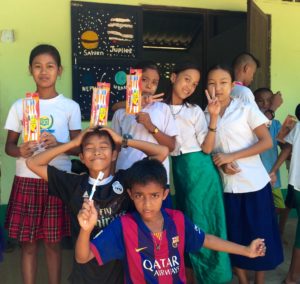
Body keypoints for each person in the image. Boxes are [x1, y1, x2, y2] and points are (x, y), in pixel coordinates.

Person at [75, 159, 266, 284]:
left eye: (154, 195)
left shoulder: (178, 220)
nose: (147, 203)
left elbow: (206, 239)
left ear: (165, 194)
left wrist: (245, 250)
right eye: (140, 196)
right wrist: (86, 229)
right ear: (130, 195)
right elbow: (83, 257)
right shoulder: (124, 225)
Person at [26, 127, 168, 284]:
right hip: (86, 273)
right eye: (89, 148)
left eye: (104, 147)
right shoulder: (73, 185)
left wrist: (122, 140)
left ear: (114, 154)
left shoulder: (126, 180)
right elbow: (33, 163)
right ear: (81, 157)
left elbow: (161, 152)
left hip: (123, 272)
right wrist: (73, 143)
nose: (97, 152)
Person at [4, 44, 81, 284]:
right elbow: (9, 147)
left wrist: (59, 143)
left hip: (56, 180)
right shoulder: (20, 106)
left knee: (53, 244)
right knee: (27, 245)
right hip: (26, 179)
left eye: (50, 66)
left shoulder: (70, 107)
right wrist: (21, 150)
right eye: (37, 66)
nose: (44, 71)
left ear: (60, 70)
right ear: (30, 70)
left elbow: (79, 148)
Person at [205, 64, 283, 284]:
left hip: (255, 185)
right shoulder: (205, 115)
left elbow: (267, 142)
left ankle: (259, 281)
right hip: (229, 188)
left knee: (261, 235)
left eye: (223, 82)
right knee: (236, 237)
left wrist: (232, 157)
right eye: (212, 83)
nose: (218, 88)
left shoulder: (246, 109)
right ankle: (243, 280)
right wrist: (221, 163)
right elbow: (207, 150)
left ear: (232, 86)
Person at [164, 62, 231, 283]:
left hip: (200, 171)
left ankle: (214, 276)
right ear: (173, 77)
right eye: (186, 79)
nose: (190, 86)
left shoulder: (194, 111)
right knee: (186, 222)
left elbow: (207, 148)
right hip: (179, 172)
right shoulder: (157, 107)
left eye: (194, 84)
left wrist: (213, 117)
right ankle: (191, 275)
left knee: (205, 221)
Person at [111, 61, 177, 207]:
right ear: (133, 80)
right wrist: (111, 177)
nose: (149, 85)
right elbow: (115, 148)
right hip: (126, 177)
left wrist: (150, 126)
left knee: (159, 225)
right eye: (145, 79)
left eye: (155, 82)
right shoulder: (121, 112)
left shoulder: (163, 109)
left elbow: (171, 146)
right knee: (128, 224)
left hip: (156, 178)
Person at [270, 118, 300, 284]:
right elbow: (287, 147)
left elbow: (287, 148)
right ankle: (292, 277)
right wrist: (273, 171)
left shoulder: (299, 127)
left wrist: (274, 170)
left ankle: (293, 276)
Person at [253, 88, 285, 218]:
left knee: (278, 208)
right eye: (260, 101)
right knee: (259, 210)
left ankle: (277, 235)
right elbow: (262, 123)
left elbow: (285, 146)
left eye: (269, 101)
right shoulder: (252, 123)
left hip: (273, 177)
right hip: (256, 178)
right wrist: (273, 107)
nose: (265, 104)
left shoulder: (276, 124)